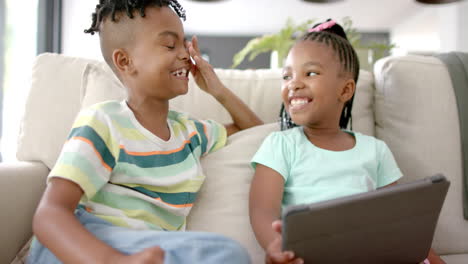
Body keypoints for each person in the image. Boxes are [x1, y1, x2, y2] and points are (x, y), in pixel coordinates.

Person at [28, 1, 263, 263]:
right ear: (125, 61)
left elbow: (254, 132)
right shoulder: (104, 122)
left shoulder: (191, 133)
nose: (186, 54)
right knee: (226, 253)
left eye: (184, 44)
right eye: (169, 45)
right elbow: (50, 215)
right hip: (82, 242)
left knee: (227, 254)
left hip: (152, 247)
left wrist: (217, 89)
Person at [249, 19, 445, 264]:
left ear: (345, 90)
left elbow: (398, 219)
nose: (294, 83)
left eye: (310, 73)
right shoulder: (280, 145)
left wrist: (431, 257)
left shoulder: (375, 150)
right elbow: (262, 209)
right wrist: (276, 248)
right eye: (287, 76)